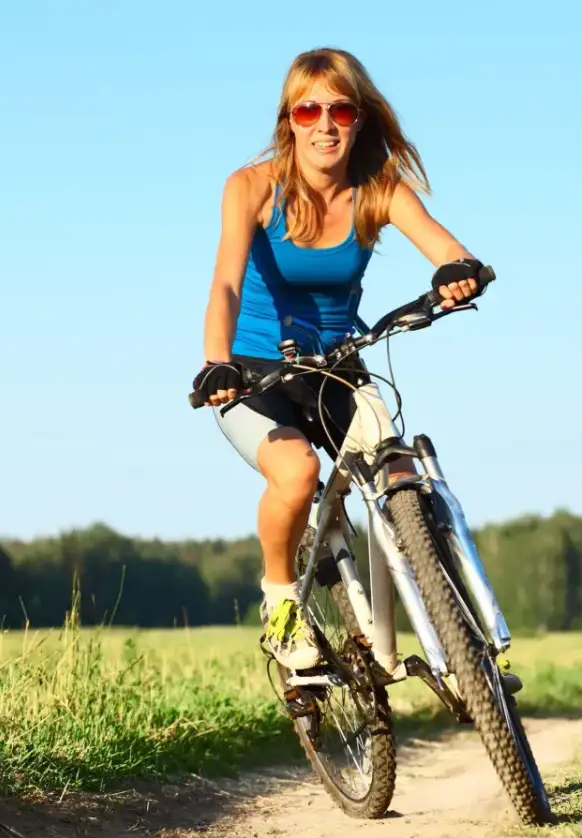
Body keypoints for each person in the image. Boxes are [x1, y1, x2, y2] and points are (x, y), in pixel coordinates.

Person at [191, 47, 485, 670]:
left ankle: (462, 633)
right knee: (297, 473)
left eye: (341, 110)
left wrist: (456, 270)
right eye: (308, 110)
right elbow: (226, 285)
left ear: (359, 119)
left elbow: (445, 247)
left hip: (338, 365)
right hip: (252, 374)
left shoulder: (378, 191)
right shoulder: (252, 188)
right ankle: (280, 600)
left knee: (401, 470)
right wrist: (216, 362)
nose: (325, 124)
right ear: (289, 121)